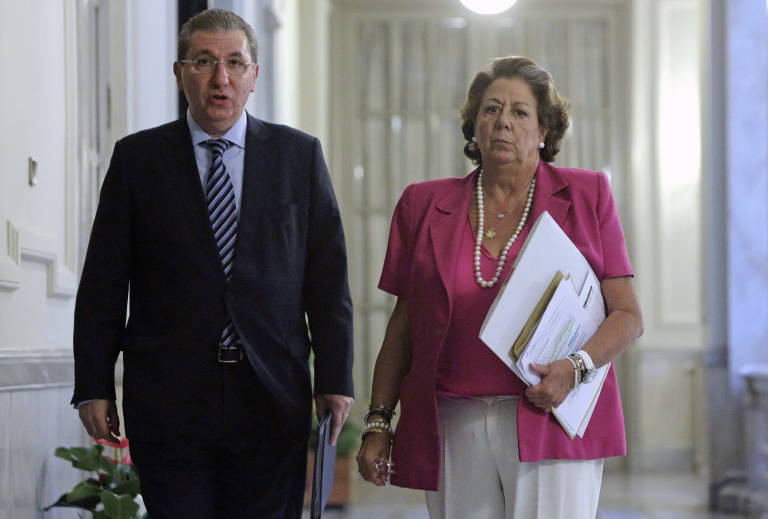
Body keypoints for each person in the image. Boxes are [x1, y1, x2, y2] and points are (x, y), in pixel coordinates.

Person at [72, 9, 354, 518]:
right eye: (203, 62)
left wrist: (335, 378)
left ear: (253, 75)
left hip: (272, 392)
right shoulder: (138, 160)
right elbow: (104, 281)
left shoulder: (298, 156)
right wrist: (93, 383)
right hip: (169, 397)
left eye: (233, 62)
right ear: (180, 73)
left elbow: (327, 279)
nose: (220, 78)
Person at [356, 56, 643, 519]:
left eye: (519, 112)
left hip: (550, 413)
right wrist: (378, 422)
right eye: (490, 110)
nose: (503, 122)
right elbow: (403, 327)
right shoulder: (423, 203)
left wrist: (576, 366)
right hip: (454, 420)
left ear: (545, 129)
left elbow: (628, 317)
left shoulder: (588, 195)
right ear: (473, 126)